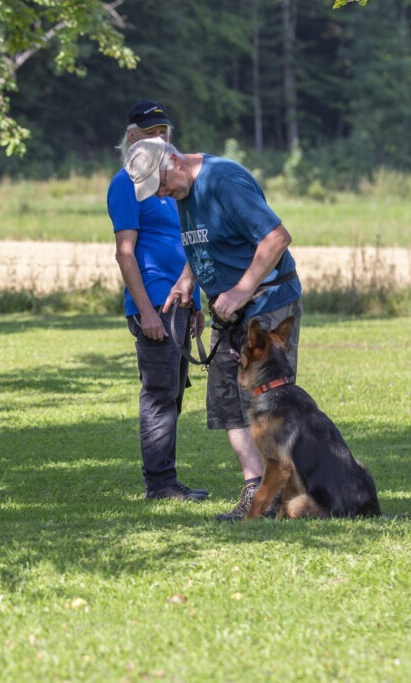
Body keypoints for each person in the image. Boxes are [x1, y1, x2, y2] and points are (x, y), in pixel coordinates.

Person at [124, 137, 303, 520]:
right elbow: (203, 244)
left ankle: (281, 494)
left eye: (161, 184)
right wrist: (187, 279)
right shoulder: (182, 191)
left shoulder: (224, 182)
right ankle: (256, 491)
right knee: (227, 401)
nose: (162, 194)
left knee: (269, 402)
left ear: (174, 160)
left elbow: (277, 238)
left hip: (267, 305)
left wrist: (240, 290)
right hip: (229, 311)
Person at [106, 100, 209, 502]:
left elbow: (186, 244)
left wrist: (195, 303)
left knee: (173, 395)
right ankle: (160, 484)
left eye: (164, 131)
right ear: (132, 137)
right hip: (154, 305)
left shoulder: (170, 184)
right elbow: (125, 253)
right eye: (151, 132)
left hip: (179, 305)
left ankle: (167, 479)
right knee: (159, 396)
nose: (160, 138)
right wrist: (146, 311)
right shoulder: (126, 183)